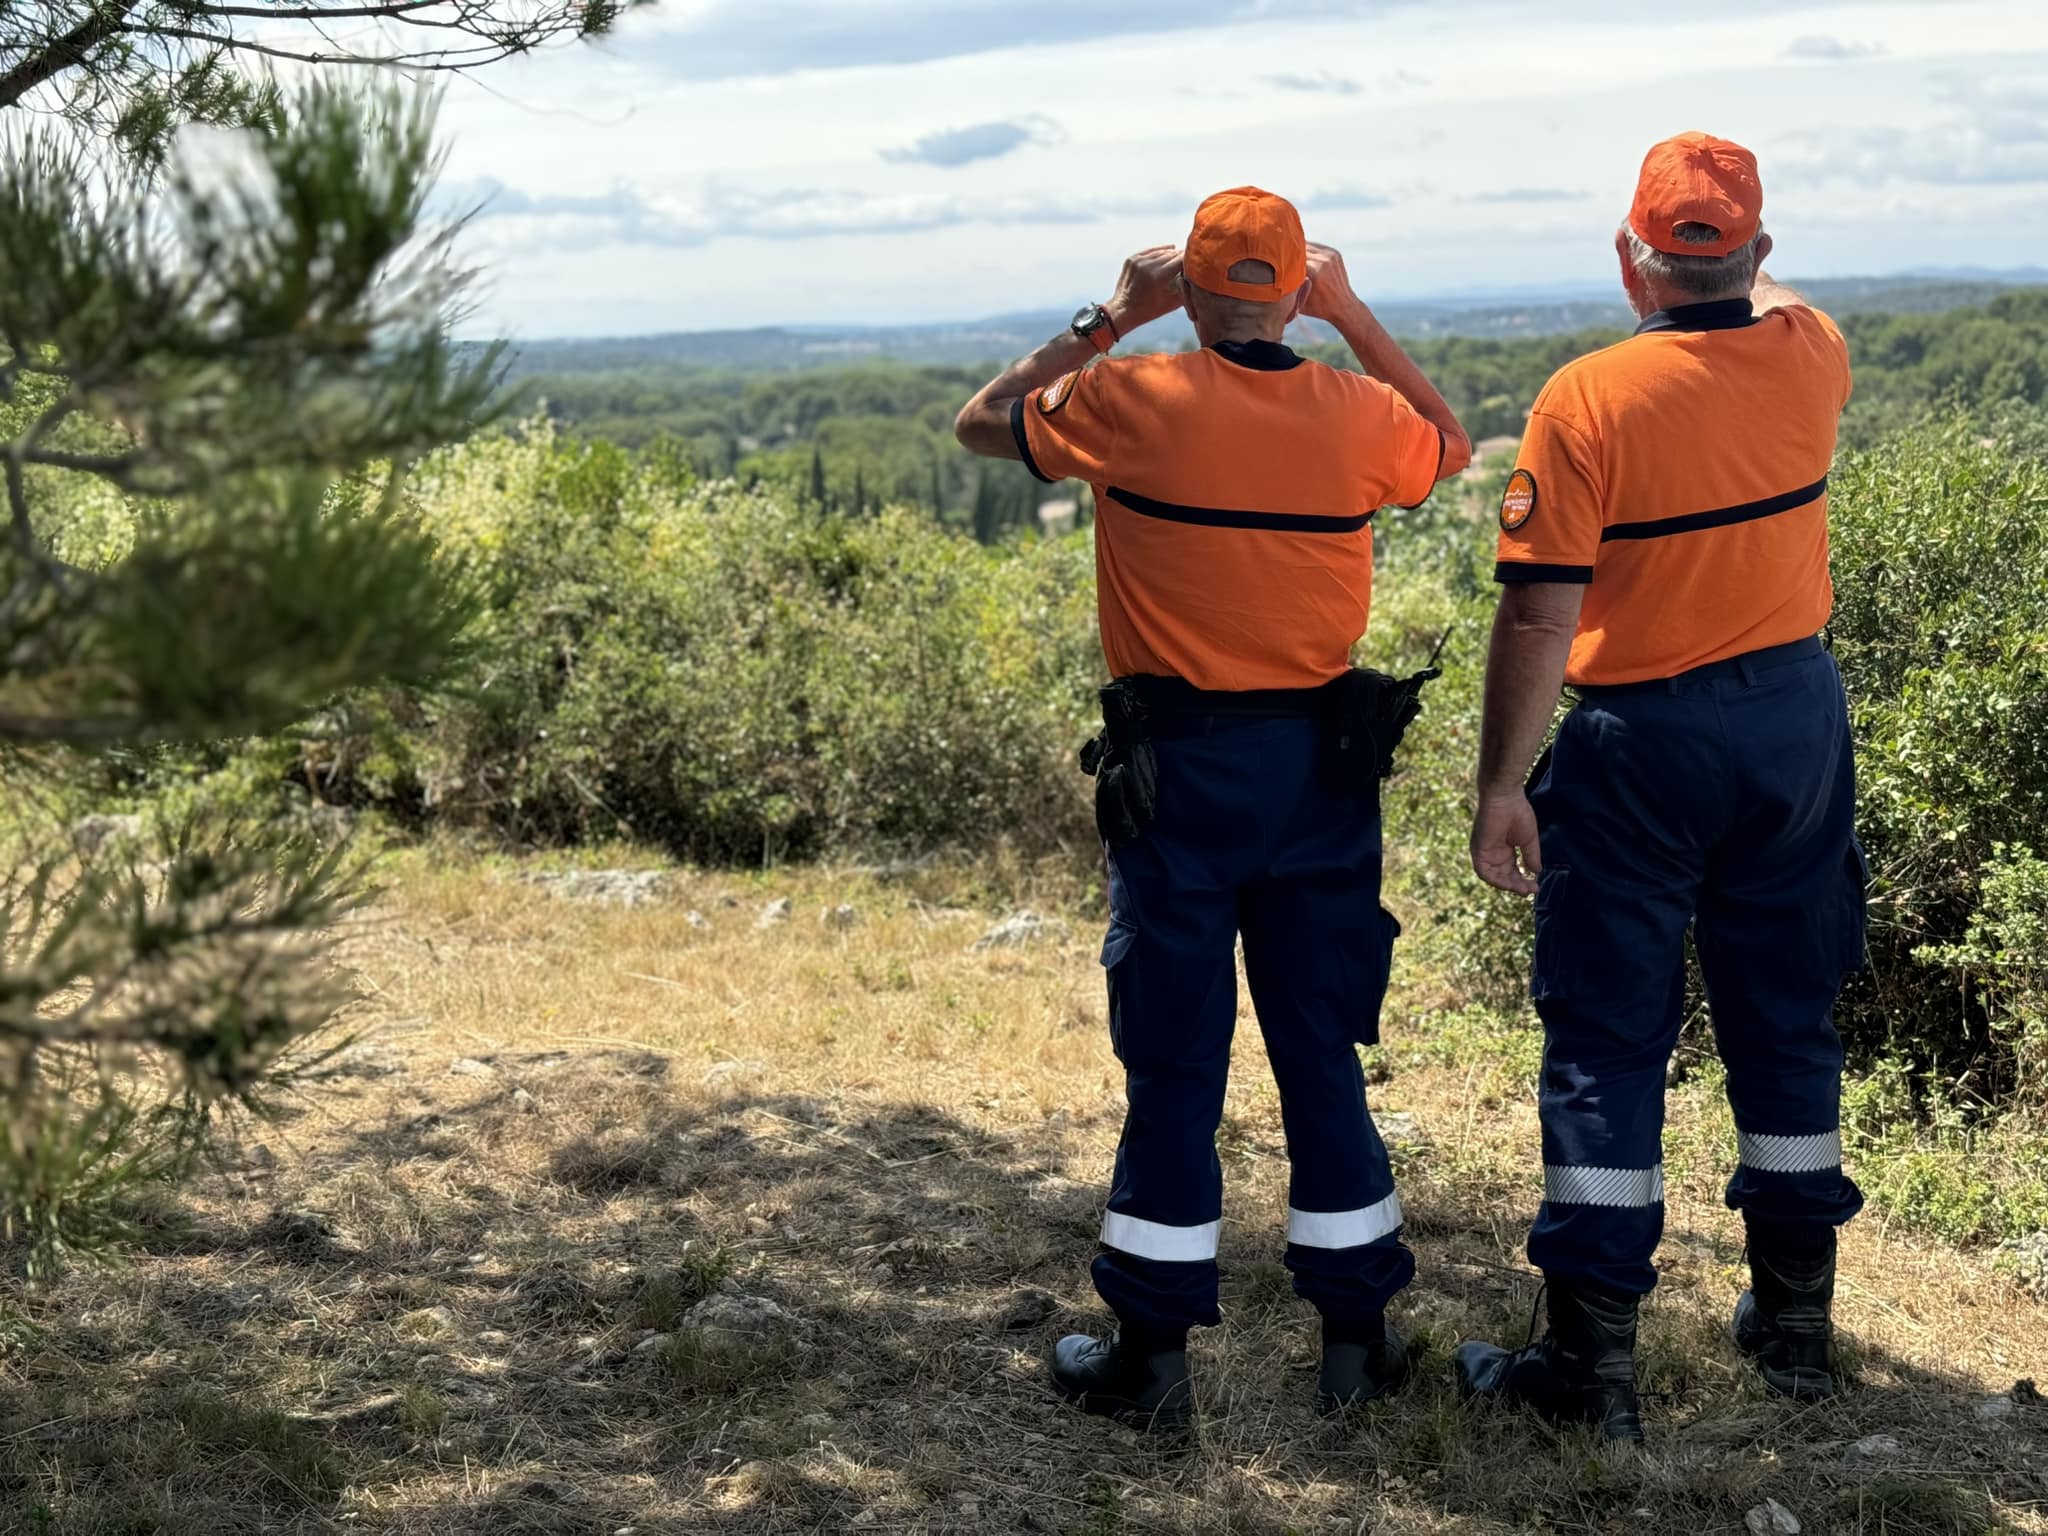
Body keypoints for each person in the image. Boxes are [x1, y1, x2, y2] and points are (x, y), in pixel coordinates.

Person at [954, 187, 1472, 1432]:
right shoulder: (1354, 415)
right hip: (1318, 774)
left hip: (1177, 772)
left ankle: (1152, 1357)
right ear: (1292, 292)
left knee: (1174, 1061)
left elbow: (979, 424)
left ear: (1184, 292)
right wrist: (1349, 317)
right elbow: (1447, 446)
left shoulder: (1129, 400)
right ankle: (1355, 1343)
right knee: (1318, 1053)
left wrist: (1103, 319)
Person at [1456, 133, 1865, 1443]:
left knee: (1609, 1039)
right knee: (1788, 1018)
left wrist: (1501, 786)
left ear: (1630, 257)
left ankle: (1592, 1367)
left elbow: (1535, 620)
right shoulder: (1814, 351)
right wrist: (1751, 275)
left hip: (1643, 739)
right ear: (1757, 255)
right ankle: (1796, 1325)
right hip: (1795, 720)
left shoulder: (1587, 398)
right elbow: (1784, 298)